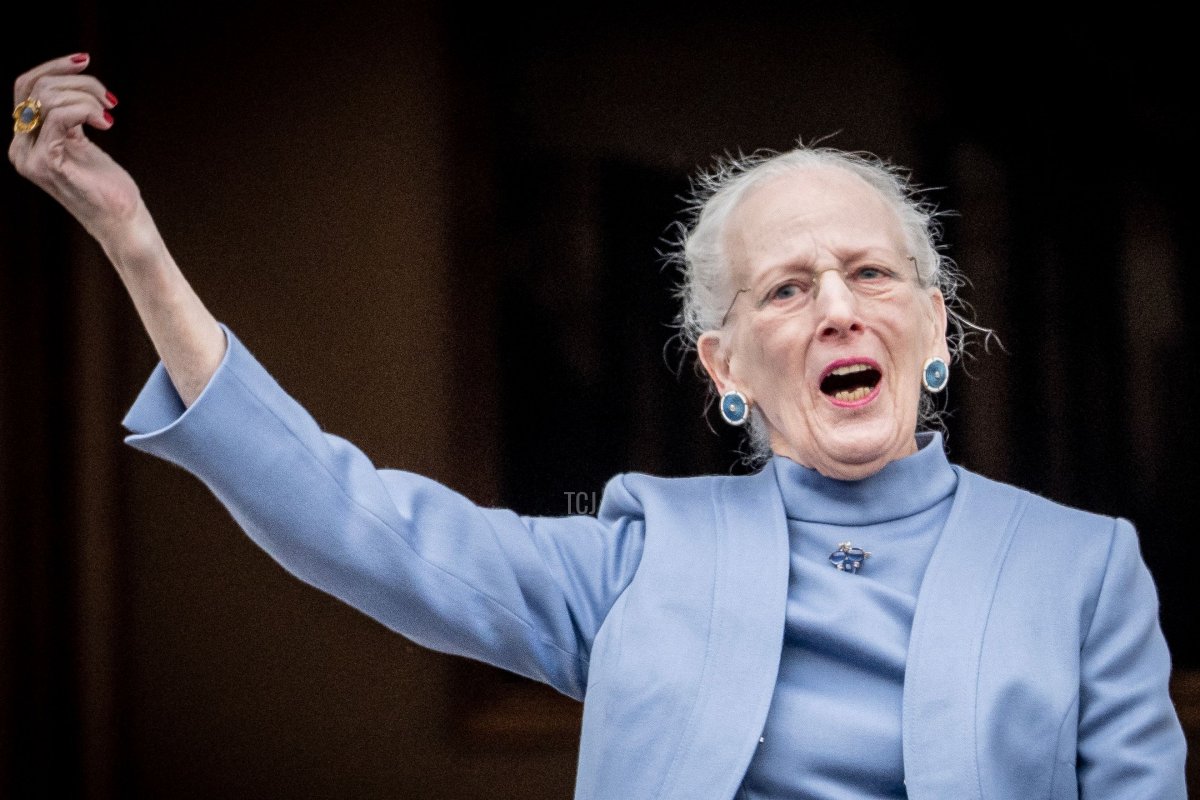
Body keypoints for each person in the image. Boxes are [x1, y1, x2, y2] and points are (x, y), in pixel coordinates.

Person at [10, 53, 1188, 799]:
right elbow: (346, 512)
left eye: (871, 274)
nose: (837, 305)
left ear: (934, 330)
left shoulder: (1084, 571)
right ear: (725, 366)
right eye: (786, 287)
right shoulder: (640, 551)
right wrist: (135, 243)